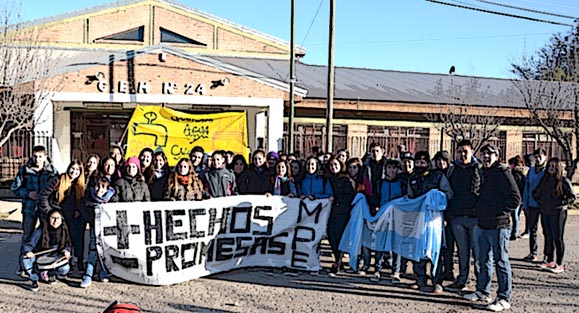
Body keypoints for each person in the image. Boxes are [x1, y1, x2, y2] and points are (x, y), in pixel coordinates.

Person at [463, 144, 521, 312]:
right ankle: (483, 291)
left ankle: (504, 297)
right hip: (482, 223)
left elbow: (515, 199)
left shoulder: (503, 172)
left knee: (501, 261)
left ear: (497, 156)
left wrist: (498, 212)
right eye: (484, 154)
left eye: (490, 154)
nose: (486, 157)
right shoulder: (483, 172)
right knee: (482, 260)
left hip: (499, 225)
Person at [407, 151, 453, 293]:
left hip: (434, 220)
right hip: (418, 218)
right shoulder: (413, 178)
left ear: (428, 163)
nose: (420, 164)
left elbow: (449, 194)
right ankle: (420, 278)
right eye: (418, 162)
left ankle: (437, 281)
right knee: (418, 248)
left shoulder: (438, 176)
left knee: (435, 249)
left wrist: (436, 198)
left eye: (423, 162)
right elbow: (410, 196)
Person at [11, 145, 58, 276]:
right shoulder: (24, 171)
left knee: (45, 236)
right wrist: (27, 193)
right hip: (29, 209)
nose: (37, 159)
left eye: (40, 156)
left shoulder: (51, 171)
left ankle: (43, 265)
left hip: (45, 209)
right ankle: (23, 265)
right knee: (27, 236)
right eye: (35, 156)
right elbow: (15, 188)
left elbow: (57, 187)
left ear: (45, 157)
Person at [446, 140, 483, 292]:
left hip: (475, 218)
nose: (462, 154)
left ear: (472, 152)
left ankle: (481, 284)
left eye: (465, 151)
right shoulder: (452, 170)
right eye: (460, 151)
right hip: (457, 217)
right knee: (462, 252)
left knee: (478, 253)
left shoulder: (479, 169)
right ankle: (462, 279)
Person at [38, 160, 86, 271]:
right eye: (72, 168)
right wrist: (50, 212)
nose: (74, 171)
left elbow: (80, 200)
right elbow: (43, 196)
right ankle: (48, 265)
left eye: (77, 169)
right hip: (55, 216)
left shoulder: (80, 185)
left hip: (70, 217)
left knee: (72, 240)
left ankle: (76, 262)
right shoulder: (57, 181)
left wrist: (78, 210)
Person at [533, 157, 575, 274]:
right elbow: (537, 191)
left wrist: (560, 203)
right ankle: (549, 259)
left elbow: (572, 197)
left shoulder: (563, 180)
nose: (551, 168)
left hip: (558, 213)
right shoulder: (545, 179)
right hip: (545, 211)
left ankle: (559, 263)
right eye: (549, 166)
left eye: (553, 166)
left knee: (557, 237)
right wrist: (538, 198)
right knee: (548, 236)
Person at [21, 208, 72, 291]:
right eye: (53, 218)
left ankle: (50, 273)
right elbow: (28, 244)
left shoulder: (64, 230)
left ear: (62, 219)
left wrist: (66, 251)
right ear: (48, 218)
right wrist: (28, 251)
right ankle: (34, 278)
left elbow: (67, 245)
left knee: (65, 269)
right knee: (25, 259)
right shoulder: (42, 230)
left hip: (55, 257)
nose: (55, 221)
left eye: (58, 218)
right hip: (41, 257)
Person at [370, 158, 404, 283]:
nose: (391, 170)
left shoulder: (401, 183)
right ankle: (377, 269)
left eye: (394, 168)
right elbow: (375, 198)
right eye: (389, 168)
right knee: (380, 243)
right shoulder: (380, 183)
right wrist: (375, 208)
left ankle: (396, 271)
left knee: (396, 244)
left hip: (397, 216)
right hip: (382, 216)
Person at [80, 177, 118, 288]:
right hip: (94, 227)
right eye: (97, 186)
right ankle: (88, 274)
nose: (99, 190)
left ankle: (103, 271)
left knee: (105, 250)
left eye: (103, 187)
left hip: (107, 229)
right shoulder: (89, 198)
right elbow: (85, 212)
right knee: (93, 249)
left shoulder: (112, 199)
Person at [326, 157, 354, 277]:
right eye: (331, 165)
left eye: (335, 164)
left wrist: (338, 200)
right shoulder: (328, 179)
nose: (333, 167)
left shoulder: (346, 180)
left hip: (343, 212)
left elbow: (350, 196)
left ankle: (338, 261)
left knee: (340, 237)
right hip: (331, 212)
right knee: (331, 236)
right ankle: (338, 259)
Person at [521, 148, 547, 261]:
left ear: (545, 157)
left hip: (544, 205)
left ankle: (547, 254)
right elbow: (527, 187)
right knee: (533, 229)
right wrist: (525, 203)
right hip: (532, 204)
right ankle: (533, 252)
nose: (537, 159)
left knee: (547, 230)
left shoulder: (547, 171)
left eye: (540, 156)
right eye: (536, 156)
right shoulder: (531, 170)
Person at [508, 155, 527, 240]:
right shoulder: (522, 174)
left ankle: (514, 232)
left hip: (516, 198)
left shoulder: (514, 175)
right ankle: (515, 231)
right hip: (522, 197)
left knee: (515, 215)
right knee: (517, 216)